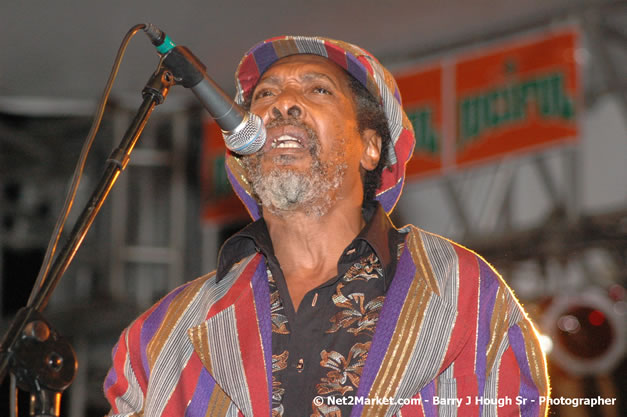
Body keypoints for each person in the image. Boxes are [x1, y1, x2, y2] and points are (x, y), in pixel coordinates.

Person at [104, 36, 549, 417]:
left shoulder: (463, 292)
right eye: (265, 94)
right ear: (244, 151)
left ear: (370, 148)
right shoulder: (162, 336)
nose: (282, 103)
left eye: (318, 89)